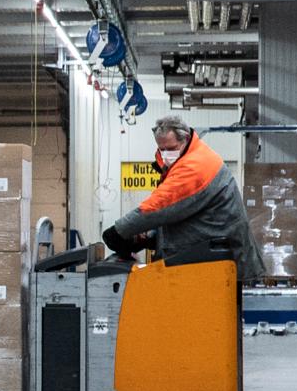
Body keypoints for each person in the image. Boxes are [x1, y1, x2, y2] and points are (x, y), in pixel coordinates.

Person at [102, 116, 255, 275]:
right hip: (212, 263)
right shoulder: (186, 159)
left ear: (185, 139)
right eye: (162, 149)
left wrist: (119, 231)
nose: (166, 154)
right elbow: (185, 217)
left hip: (220, 266)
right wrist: (150, 237)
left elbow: (161, 205)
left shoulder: (195, 165)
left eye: (171, 148)